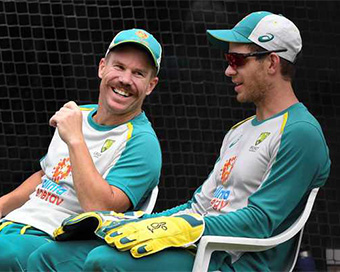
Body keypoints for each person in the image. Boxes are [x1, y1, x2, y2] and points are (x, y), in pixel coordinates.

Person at [28, 11, 331, 271]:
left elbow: (260, 221)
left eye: (237, 59)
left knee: (104, 262)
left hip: (233, 262)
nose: (228, 69)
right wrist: (141, 223)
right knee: (49, 256)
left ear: (272, 62)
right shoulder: (238, 131)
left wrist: (181, 228)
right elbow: (198, 206)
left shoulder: (301, 132)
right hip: (196, 247)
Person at [0, 28, 163, 271]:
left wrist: (76, 139)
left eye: (138, 73)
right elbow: (46, 176)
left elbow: (99, 211)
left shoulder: (143, 143)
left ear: (151, 85)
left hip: (51, 243)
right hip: (14, 226)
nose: (125, 80)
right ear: (102, 68)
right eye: (119, 67)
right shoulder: (78, 114)